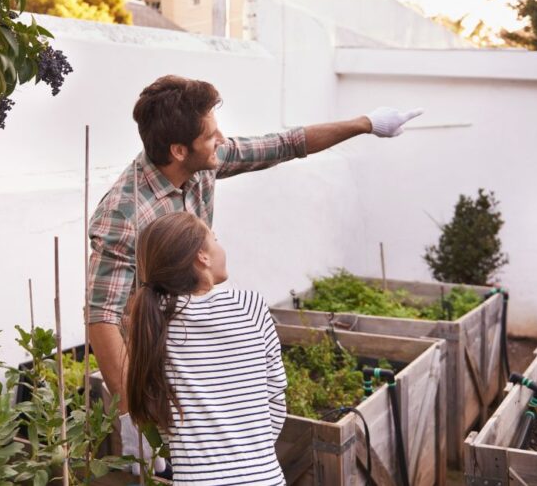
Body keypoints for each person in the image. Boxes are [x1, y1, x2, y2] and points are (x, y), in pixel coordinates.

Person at [87, 74, 422, 469]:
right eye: (211, 135)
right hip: (160, 366)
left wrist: (365, 123)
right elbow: (102, 318)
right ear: (178, 149)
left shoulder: (202, 163)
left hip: (199, 347)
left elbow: (283, 145)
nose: (223, 140)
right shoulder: (124, 212)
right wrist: (133, 417)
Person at [125, 211, 287, 485]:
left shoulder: (154, 321)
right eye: (215, 239)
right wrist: (250, 453)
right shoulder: (251, 306)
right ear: (203, 256)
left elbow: (155, 411)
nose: (220, 245)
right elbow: (276, 398)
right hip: (263, 477)